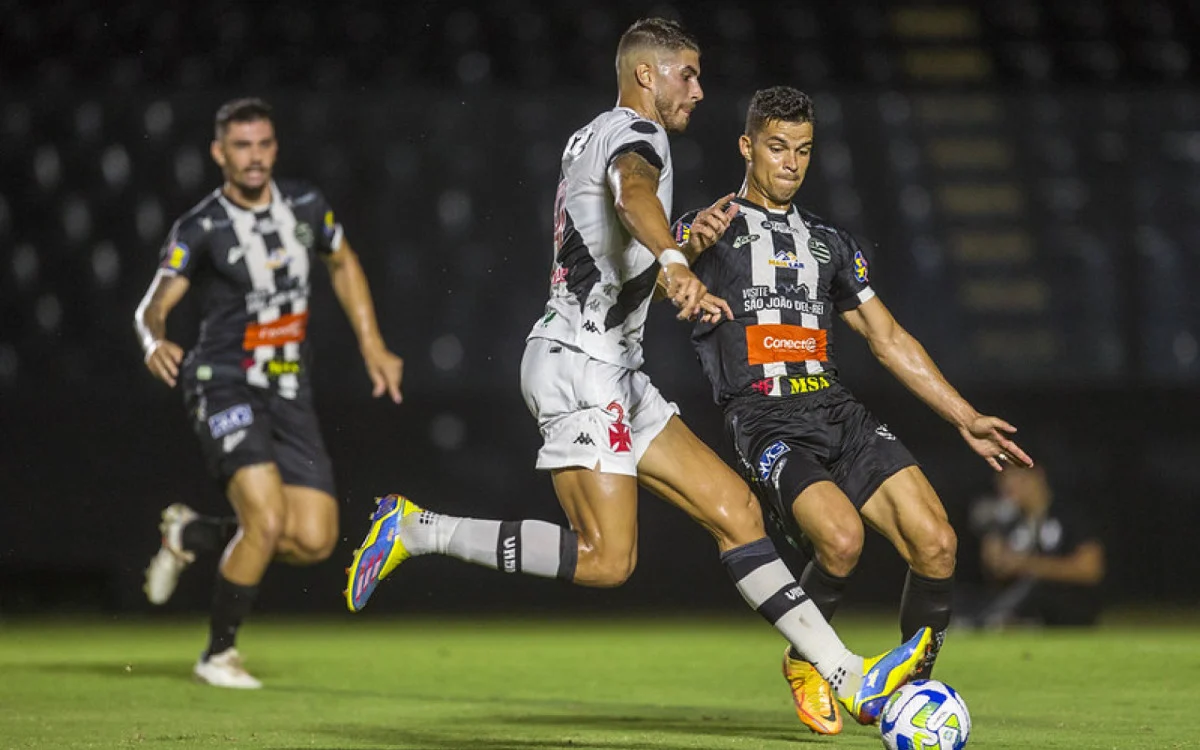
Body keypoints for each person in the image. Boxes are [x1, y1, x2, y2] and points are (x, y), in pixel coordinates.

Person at [343, 19, 929, 725]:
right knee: (606, 560)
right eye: (689, 73)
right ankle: (416, 529)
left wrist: (680, 244)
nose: (699, 90)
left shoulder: (588, 134)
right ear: (647, 74)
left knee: (736, 511)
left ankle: (849, 674)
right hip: (579, 365)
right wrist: (678, 260)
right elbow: (632, 195)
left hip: (616, 367)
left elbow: (612, 247)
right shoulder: (636, 138)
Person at [671, 86, 1033, 734]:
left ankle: (910, 697)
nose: (791, 163)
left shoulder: (829, 243)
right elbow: (653, 271)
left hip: (834, 407)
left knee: (939, 544)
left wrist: (963, 415)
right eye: (777, 147)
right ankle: (808, 658)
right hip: (763, 417)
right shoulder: (709, 231)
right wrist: (683, 255)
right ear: (747, 147)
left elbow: (887, 338)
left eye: (803, 151)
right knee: (840, 540)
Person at [134, 97, 404, 688]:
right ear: (219, 153)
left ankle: (193, 534)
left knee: (312, 538)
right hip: (224, 382)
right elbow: (154, 303)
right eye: (240, 146)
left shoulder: (305, 206)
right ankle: (218, 654)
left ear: (274, 148)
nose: (253, 158)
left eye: (262, 145)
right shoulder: (200, 226)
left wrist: (372, 345)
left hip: (289, 390)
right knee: (266, 519)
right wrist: (153, 339)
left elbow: (343, 261)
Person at [968, 464, 1105, 627]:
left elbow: (1090, 570)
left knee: (1038, 593)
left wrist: (1027, 564)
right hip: (1018, 601)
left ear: (1037, 475)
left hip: (1065, 607)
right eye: (1003, 479)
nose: (1007, 486)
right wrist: (992, 542)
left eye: (1015, 477)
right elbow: (996, 572)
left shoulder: (1069, 514)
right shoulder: (1009, 521)